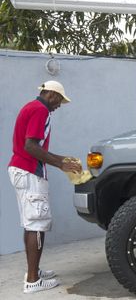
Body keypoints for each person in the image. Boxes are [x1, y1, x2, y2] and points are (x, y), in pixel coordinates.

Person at [7, 81, 82, 294]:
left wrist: (63, 159)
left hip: (21, 169)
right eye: (59, 99)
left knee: (31, 224)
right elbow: (30, 146)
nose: (59, 105)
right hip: (29, 170)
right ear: (50, 94)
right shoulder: (41, 111)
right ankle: (32, 281)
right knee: (37, 224)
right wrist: (61, 164)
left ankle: (34, 271)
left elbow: (32, 146)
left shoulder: (31, 107)